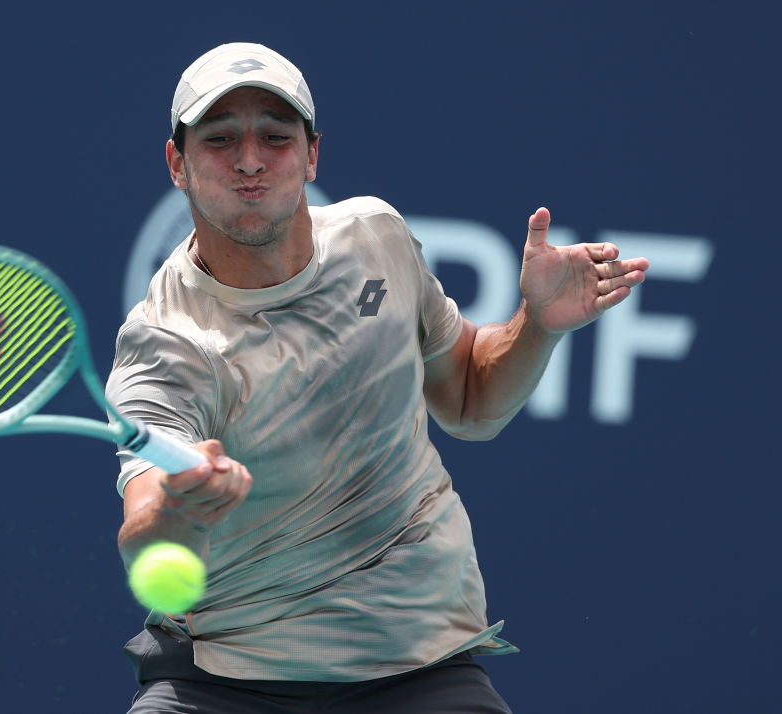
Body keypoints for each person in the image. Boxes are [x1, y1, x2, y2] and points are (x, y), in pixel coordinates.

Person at [107, 42, 649, 713]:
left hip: (418, 667)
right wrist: (179, 510)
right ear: (177, 163)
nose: (249, 159)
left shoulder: (376, 238)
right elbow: (145, 530)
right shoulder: (165, 343)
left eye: (275, 137)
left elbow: (471, 400)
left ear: (311, 155)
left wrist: (537, 325)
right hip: (225, 676)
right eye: (219, 139)